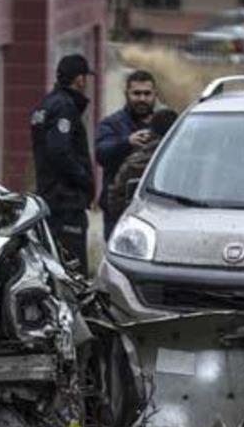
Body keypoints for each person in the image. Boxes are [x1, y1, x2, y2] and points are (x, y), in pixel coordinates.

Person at [31, 53, 96, 272]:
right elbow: (59, 151)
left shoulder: (46, 105)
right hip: (65, 202)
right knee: (73, 271)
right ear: (79, 79)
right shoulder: (64, 107)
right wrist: (85, 180)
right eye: (85, 78)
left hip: (49, 197)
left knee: (53, 266)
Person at [96, 70, 158, 240]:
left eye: (147, 93)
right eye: (136, 93)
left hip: (154, 208)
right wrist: (126, 142)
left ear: (155, 95)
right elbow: (101, 153)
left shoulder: (164, 124)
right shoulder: (112, 124)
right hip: (118, 209)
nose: (142, 99)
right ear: (127, 94)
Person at [106, 108, 179, 225]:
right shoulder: (186, 162)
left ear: (151, 131)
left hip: (140, 223)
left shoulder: (135, 163)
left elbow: (115, 200)